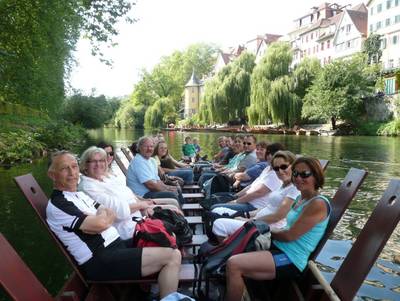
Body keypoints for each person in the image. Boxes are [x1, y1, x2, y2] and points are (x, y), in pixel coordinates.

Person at [46, 151, 181, 298]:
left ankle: (149, 291)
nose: (72, 172)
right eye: (64, 168)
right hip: (100, 260)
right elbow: (102, 222)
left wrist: (100, 220)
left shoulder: (79, 194)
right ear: (52, 175)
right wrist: (100, 220)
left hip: (116, 246)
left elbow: (108, 212)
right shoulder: (59, 203)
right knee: (172, 256)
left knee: (166, 238)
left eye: (74, 166)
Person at [225, 157, 331, 301]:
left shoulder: (318, 204)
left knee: (234, 265)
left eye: (304, 174)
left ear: (316, 176)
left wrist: (263, 229)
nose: (298, 178)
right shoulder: (301, 198)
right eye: (295, 174)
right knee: (230, 246)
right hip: (279, 247)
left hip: (291, 258)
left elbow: (289, 236)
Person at [78, 146, 181, 239]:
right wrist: (142, 205)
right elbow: (118, 211)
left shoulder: (106, 178)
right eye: (93, 161)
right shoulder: (88, 187)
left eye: (101, 160)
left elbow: (128, 194)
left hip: (139, 216)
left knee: (175, 214)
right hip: (127, 229)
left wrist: (143, 204)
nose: (98, 164)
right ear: (85, 165)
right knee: (174, 220)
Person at [212, 151, 299, 242]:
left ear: (293, 166)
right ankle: (234, 246)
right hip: (257, 219)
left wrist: (250, 221)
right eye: (276, 168)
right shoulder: (283, 185)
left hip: (266, 227)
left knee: (219, 225)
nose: (280, 171)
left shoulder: (294, 188)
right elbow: (268, 207)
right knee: (216, 211)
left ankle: (230, 251)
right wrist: (247, 216)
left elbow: (278, 217)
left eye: (284, 167)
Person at [209, 143, 286, 213]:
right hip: (247, 201)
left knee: (215, 208)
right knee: (214, 199)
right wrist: (235, 196)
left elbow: (258, 193)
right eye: (268, 153)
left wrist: (236, 201)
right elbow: (251, 186)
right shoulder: (267, 169)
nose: (269, 156)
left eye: (273, 154)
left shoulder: (275, 174)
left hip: (254, 207)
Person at [127, 136, 185, 205]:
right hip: (142, 196)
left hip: (150, 191)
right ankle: (178, 213)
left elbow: (158, 181)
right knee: (172, 195)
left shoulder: (152, 161)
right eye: (146, 146)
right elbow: (150, 185)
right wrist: (167, 190)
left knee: (176, 189)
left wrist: (168, 187)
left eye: (151, 146)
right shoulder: (138, 161)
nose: (149, 149)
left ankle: (181, 212)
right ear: (139, 148)